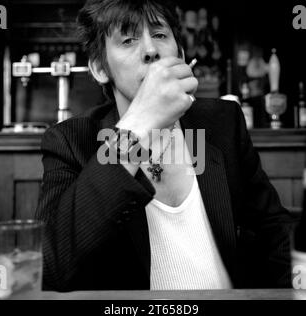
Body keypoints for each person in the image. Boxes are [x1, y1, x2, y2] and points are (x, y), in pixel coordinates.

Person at [35, 0, 293, 291]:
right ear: (99, 69)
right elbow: (49, 266)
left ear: (179, 54)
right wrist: (137, 126)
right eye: (128, 39)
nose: (150, 50)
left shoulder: (222, 122)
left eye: (159, 35)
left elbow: (276, 233)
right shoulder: (71, 141)